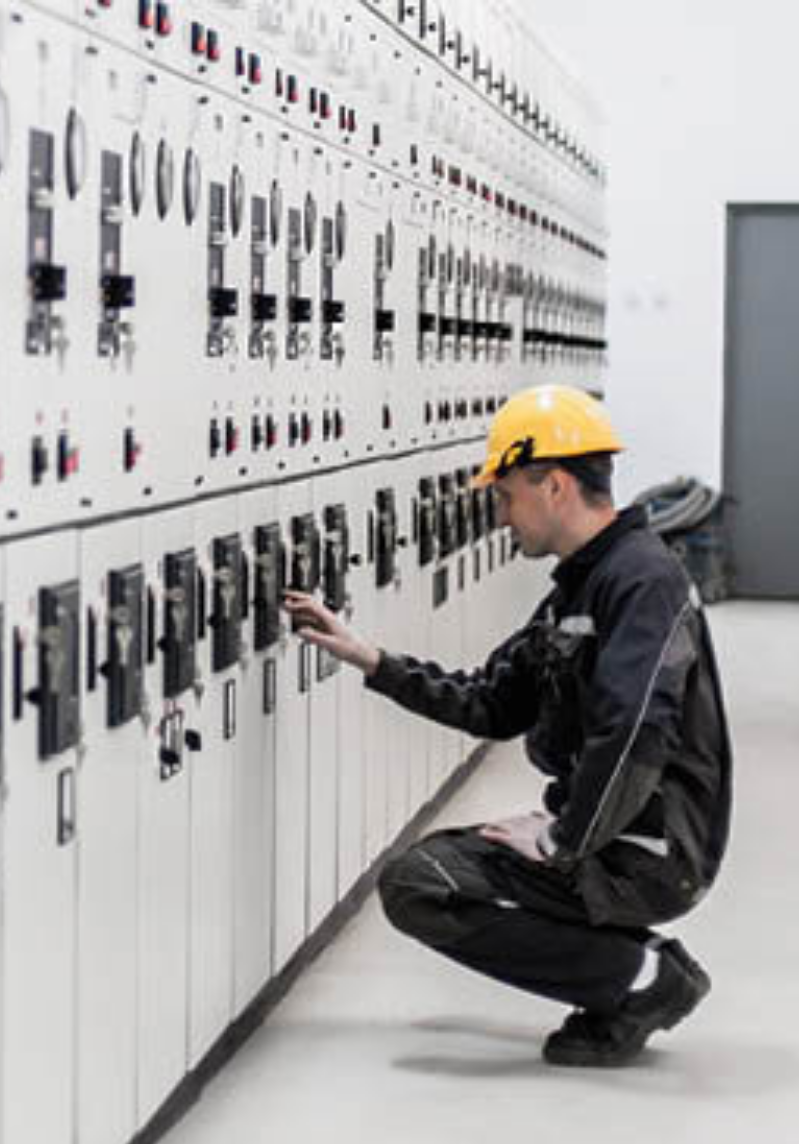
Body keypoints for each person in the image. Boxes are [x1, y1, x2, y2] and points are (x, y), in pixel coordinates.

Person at [285, 385, 734, 1067]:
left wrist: (561, 839)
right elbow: (493, 702)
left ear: (552, 485)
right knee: (423, 878)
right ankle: (634, 972)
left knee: (419, 885)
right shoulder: (579, 590)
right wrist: (370, 659)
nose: (500, 515)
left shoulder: (642, 581)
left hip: (654, 850)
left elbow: (632, 736)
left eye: (504, 495)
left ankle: (642, 981)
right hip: (609, 831)